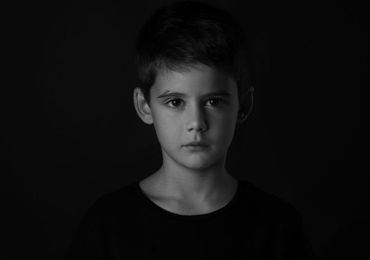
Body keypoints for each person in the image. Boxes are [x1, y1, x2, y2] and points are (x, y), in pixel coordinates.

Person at [66, 1, 315, 259]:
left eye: (213, 101)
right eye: (175, 102)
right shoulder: (107, 225)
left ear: (244, 105)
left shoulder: (279, 227)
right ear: (145, 106)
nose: (196, 122)